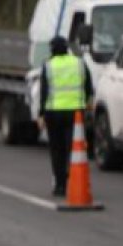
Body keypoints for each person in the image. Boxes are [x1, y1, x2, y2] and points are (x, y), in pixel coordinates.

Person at [37, 36, 94, 196]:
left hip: (53, 113)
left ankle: (60, 185)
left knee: (57, 150)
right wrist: (87, 103)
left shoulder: (48, 66)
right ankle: (74, 179)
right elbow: (88, 86)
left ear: (52, 50)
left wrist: (41, 114)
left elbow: (44, 92)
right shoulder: (79, 63)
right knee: (74, 149)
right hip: (75, 113)